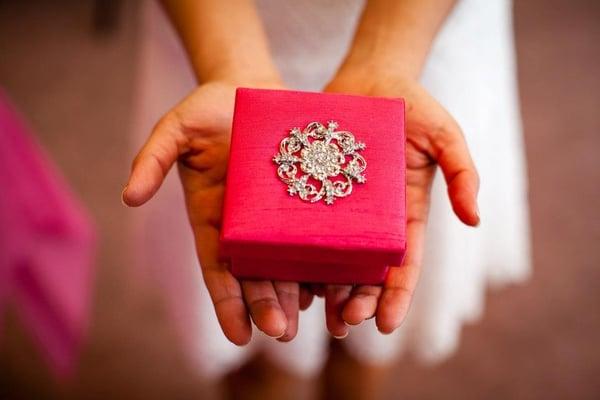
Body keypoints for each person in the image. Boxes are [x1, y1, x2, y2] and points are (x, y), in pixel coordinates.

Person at [123, 0, 530, 397]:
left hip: (418, 37)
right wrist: (230, 66)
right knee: (254, 358)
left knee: (364, 343)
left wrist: (385, 61)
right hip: (212, 36)